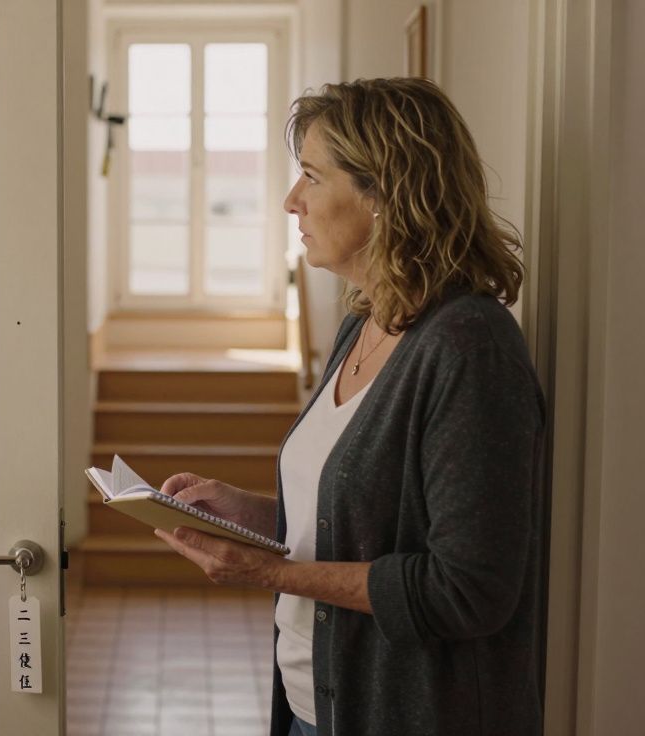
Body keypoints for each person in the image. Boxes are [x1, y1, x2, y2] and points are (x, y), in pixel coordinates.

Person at [154, 77, 547, 736]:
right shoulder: (364, 323)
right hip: (319, 708)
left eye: (311, 176)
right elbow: (364, 520)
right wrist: (250, 513)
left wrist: (271, 572)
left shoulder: (469, 349)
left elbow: (469, 590)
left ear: (384, 194)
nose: (290, 201)